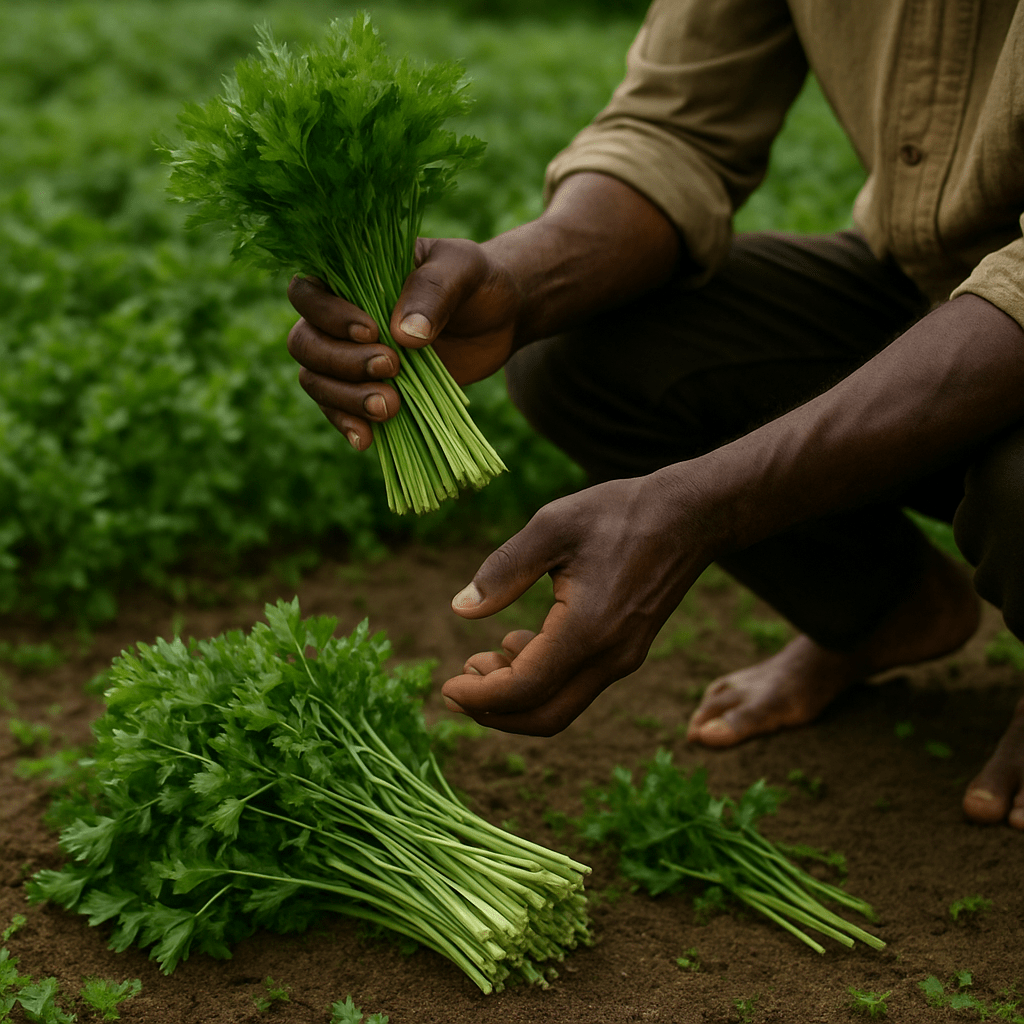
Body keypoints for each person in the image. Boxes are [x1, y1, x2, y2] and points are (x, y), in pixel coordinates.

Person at [286, 0, 1024, 829]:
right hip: (926, 284)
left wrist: (698, 508)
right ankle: (886, 612)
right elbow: (677, 128)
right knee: (581, 356)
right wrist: (520, 283)